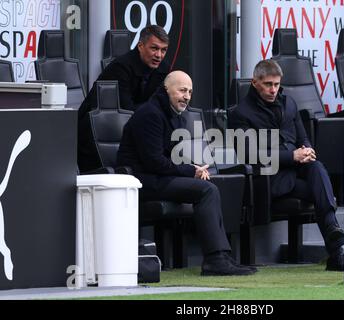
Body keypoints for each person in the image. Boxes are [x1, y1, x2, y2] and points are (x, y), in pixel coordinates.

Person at [117, 70, 256, 276]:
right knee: (206, 190)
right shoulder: (150, 114)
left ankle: (222, 256)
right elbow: (154, 162)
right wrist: (191, 170)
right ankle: (214, 260)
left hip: (160, 177)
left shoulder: (173, 115)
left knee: (213, 185)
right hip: (143, 180)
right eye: (182, 90)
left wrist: (196, 168)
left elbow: (172, 156)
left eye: (190, 92)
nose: (187, 96)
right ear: (166, 89)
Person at [228, 60, 344, 271]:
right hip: (269, 179)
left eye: (276, 84)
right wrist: (293, 156)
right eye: (268, 84)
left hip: (297, 171)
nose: (273, 89)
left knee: (317, 167)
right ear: (255, 82)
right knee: (318, 190)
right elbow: (250, 154)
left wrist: (307, 151)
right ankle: (336, 248)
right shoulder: (240, 114)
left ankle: (334, 239)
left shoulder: (289, 103)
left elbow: (303, 137)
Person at [78, 25, 170, 173]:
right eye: (154, 48)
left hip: (130, 132)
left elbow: (160, 106)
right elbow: (127, 111)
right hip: (94, 136)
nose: (159, 55)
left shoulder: (162, 68)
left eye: (163, 50)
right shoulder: (120, 68)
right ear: (140, 46)